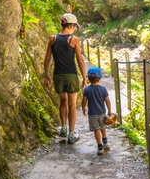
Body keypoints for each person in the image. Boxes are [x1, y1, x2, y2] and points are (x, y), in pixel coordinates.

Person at [44, 13, 87, 144]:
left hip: (58, 75)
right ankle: (72, 133)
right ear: (72, 25)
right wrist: (84, 77)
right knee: (72, 104)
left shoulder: (53, 38)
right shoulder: (74, 40)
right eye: (74, 26)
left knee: (63, 101)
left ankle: (63, 128)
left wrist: (46, 75)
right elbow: (80, 60)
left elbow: (47, 59)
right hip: (71, 75)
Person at [81, 67, 112, 155]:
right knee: (103, 127)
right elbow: (107, 101)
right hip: (102, 112)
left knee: (96, 130)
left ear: (89, 78)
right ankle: (105, 141)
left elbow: (84, 101)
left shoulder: (86, 89)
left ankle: (100, 146)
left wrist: (83, 108)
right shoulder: (103, 89)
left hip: (92, 114)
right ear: (100, 78)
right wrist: (109, 111)